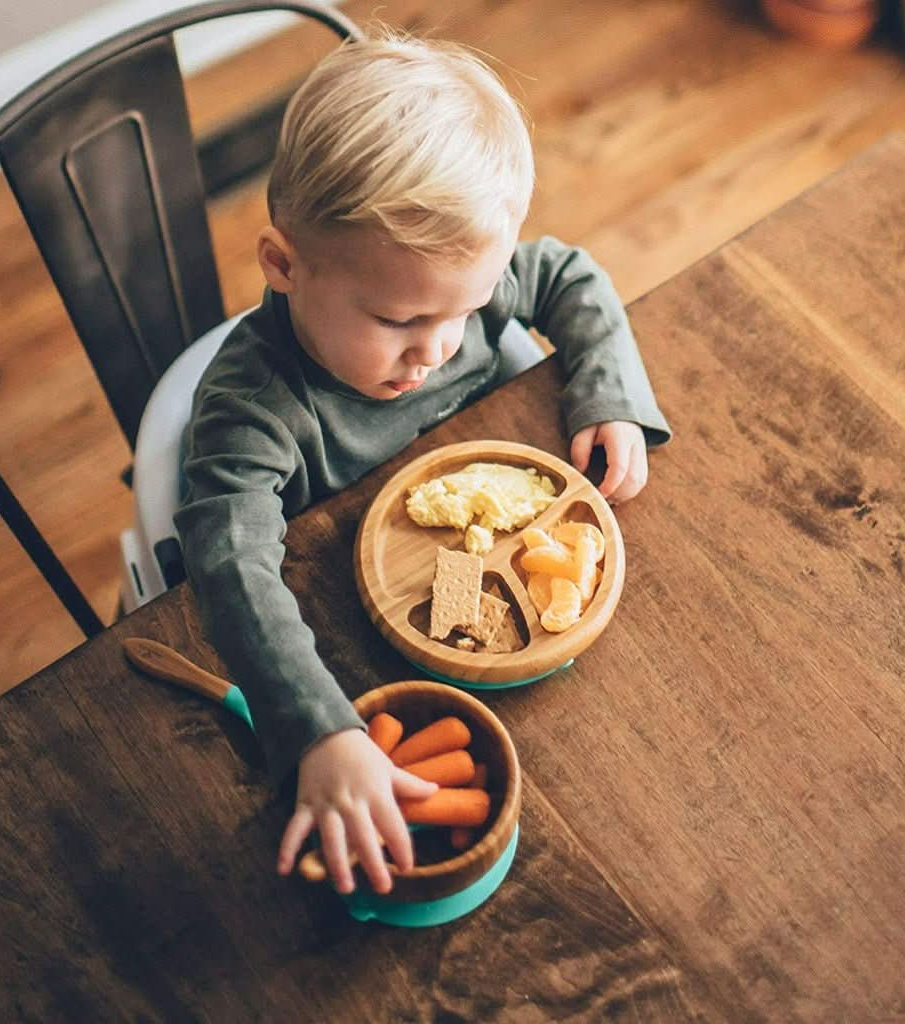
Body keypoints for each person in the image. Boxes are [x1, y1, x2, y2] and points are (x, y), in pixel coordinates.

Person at [175, 28, 671, 897]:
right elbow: (230, 566)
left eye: (468, 309)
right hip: (354, 642)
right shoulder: (252, 411)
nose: (439, 348)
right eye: (400, 322)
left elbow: (570, 277)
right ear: (285, 266)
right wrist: (319, 732)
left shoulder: (448, 295)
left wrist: (609, 395)